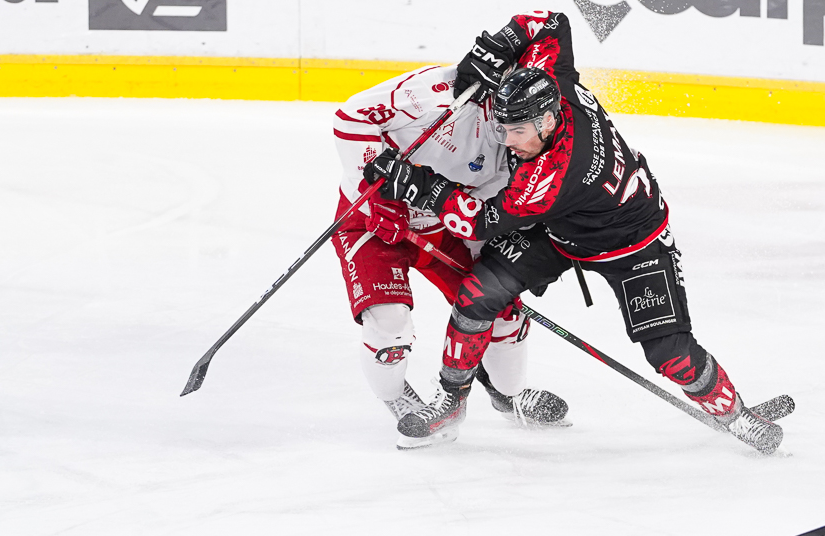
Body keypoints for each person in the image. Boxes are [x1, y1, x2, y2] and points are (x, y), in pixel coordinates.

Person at [362, 11, 783, 453]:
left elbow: (478, 220)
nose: (507, 141)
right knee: (478, 295)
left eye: (517, 131)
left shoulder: (549, 178)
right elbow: (549, 22)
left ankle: (739, 418)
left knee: (669, 353)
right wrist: (494, 49)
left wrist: (420, 185)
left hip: (634, 245)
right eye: (502, 128)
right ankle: (450, 401)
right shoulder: (554, 83)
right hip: (565, 228)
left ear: (545, 123)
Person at [331, 62, 569, 448]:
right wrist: (372, 195)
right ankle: (399, 400)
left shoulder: (528, 148)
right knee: (389, 325)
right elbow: (352, 118)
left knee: (500, 306)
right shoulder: (438, 92)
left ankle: (508, 394)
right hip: (372, 221)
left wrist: (520, 264)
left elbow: (491, 213)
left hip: (445, 229)